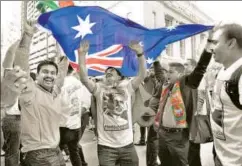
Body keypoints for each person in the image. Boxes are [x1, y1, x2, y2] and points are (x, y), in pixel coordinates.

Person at [78, 40, 147, 166]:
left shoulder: (128, 87)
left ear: (119, 77)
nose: (108, 75)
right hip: (106, 147)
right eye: (106, 74)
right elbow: (84, 78)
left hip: (127, 145)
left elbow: (142, 75)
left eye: (111, 73)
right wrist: (82, 56)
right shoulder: (99, 89)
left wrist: (140, 54)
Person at [10, 21, 69, 166]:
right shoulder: (29, 90)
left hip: (56, 151)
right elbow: (20, 62)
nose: (50, 75)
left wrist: (66, 38)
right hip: (37, 156)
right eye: (45, 72)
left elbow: (62, 69)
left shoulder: (55, 90)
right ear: (36, 75)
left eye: (52, 73)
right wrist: (28, 35)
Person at [154, 36, 213, 166]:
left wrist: (208, 49)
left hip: (178, 137)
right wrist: (156, 60)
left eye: (170, 72)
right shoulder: (166, 85)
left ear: (180, 74)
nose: (167, 75)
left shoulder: (184, 85)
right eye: (167, 72)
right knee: (165, 162)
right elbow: (159, 74)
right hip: (163, 134)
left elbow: (200, 69)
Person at [208, 23, 242, 166]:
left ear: (231, 43)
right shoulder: (223, 71)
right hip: (221, 155)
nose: (210, 48)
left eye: (215, 42)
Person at [59, 64, 91, 166]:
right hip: (75, 124)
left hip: (62, 125)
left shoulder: (59, 83)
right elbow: (87, 103)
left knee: (55, 152)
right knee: (74, 152)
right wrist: (76, 115)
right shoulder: (79, 83)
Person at [1, 40, 22, 166]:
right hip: (12, 118)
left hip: (15, 118)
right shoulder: (8, 76)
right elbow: (9, 53)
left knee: (14, 151)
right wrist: (22, 39)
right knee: (13, 152)